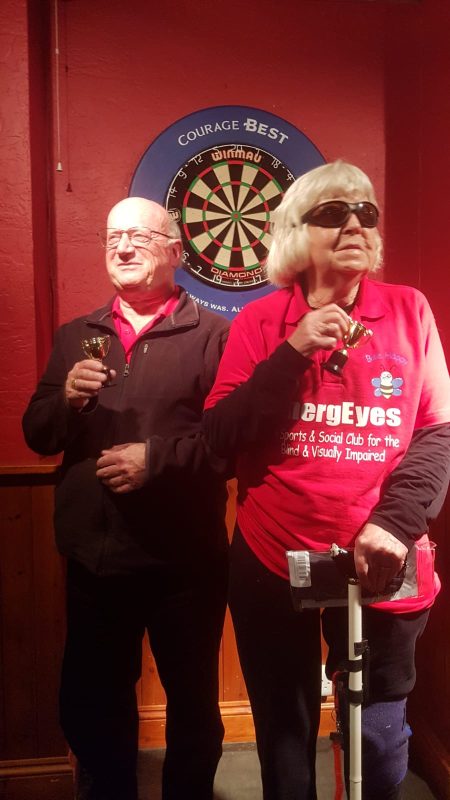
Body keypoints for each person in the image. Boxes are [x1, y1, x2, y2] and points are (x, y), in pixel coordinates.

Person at [203, 160, 450, 800]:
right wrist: (292, 354)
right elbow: (220, 439)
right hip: (269, 554)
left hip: (381, 557)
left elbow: (437, 432)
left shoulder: (408, 309)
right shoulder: (260, 323)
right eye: (332, 213)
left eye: (366, 212)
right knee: (284, 731)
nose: (355, 224)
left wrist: (393, 523)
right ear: (293, 232)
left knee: (378, 732)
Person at [22, 197, 230, 800]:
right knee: (92, 707)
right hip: (95, 561)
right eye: (113, 235)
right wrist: (66, 399)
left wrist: (157, 460)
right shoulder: (75, 336)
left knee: (193, 710)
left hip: (184, 564)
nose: (123, 245)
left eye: (140, 234)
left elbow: (230, 446)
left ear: (175, 250)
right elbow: (38, 436)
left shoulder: (215, 335)